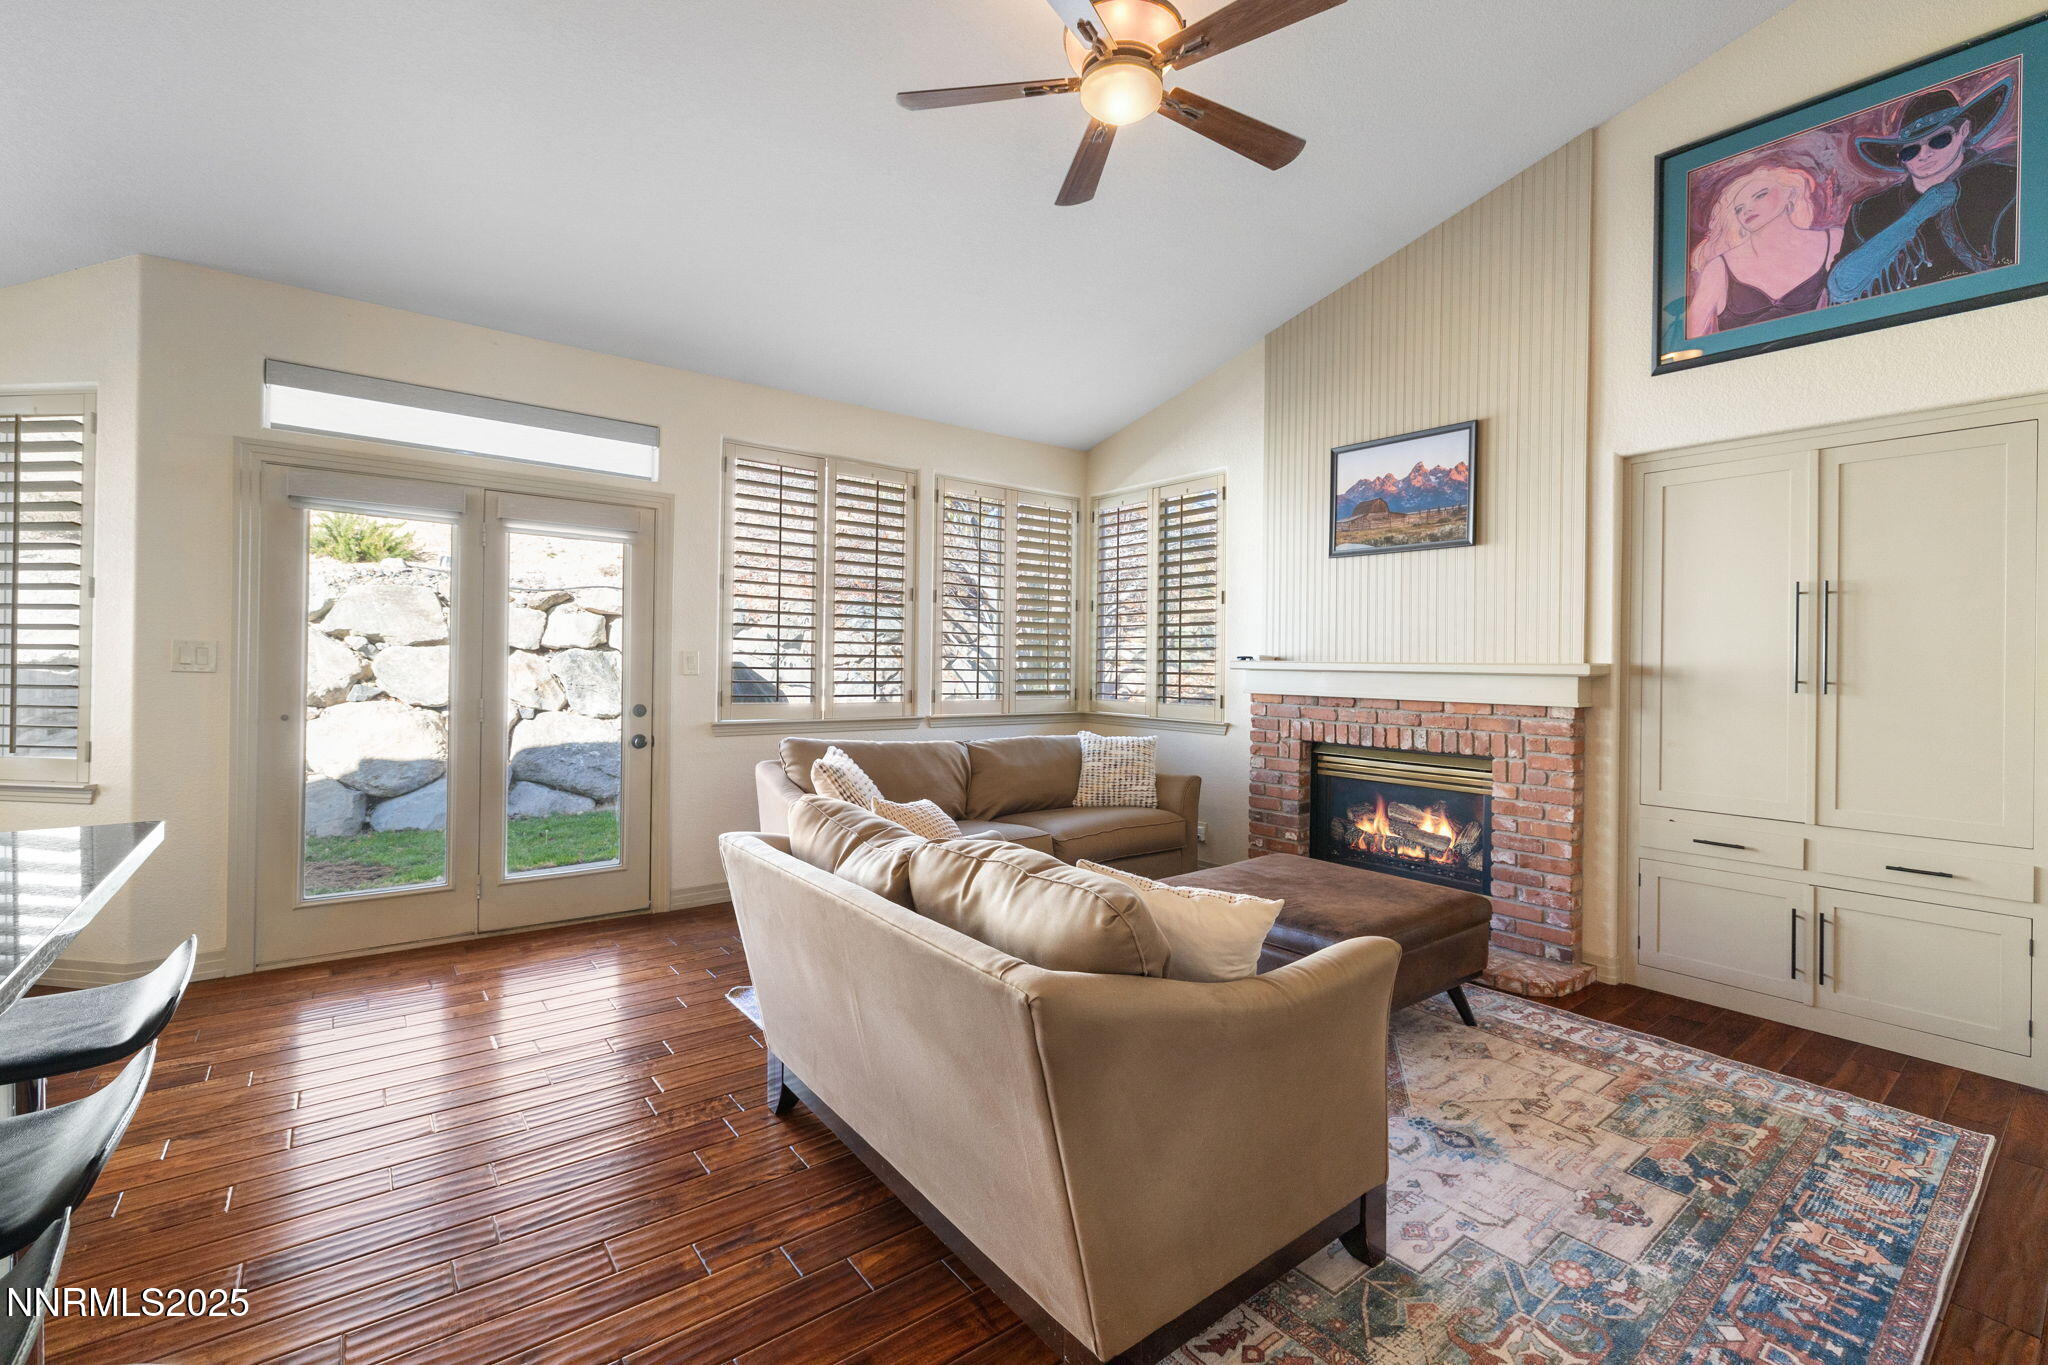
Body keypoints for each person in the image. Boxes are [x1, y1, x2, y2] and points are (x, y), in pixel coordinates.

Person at [1828, 78, 2016, 303]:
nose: (1924, 154)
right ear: (1901, 158)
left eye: (1939, 140)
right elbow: (1840, 287)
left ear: (1963, 131)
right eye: (1911, 151)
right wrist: (1920, 213)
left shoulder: (2002, 182)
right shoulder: (1868, 211)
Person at [1687, 164, 1843, 336]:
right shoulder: (1719, 268)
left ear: (1789, 194)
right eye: (1739, 208)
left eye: (1760, 195)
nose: (1747, 209)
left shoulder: (1833, 241)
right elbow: (1691, 342)